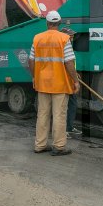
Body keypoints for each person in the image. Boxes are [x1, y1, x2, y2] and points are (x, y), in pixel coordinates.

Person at [28, 11, 80, 156]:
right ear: (59, 23)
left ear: (47, 23)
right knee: (59, 115)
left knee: (42, 114)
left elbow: (31, 60)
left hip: (42, 83)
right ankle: (59, 146)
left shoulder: (37, 38)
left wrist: (34, 77)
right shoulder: (64, 39)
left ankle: (40, 145)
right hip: (60, 84)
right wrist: (75, 81)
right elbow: (69, 61)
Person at [61, 27, 82, 138]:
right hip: (65, 82)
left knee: (72, 105)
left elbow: (70, 64)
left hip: (71, 81)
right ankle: (63, 130)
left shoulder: (68, 46)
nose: (72, 38)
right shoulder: (62, 46)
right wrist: (75, 80)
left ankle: (69, 127)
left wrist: (75, 73)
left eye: (73, 36)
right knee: (63, 107)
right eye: (70, 35)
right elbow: (66, 64)